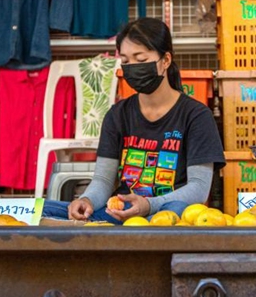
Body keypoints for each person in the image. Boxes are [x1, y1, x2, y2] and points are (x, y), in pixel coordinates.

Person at [42, 18, 225, 224]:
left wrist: (149, 204)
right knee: (42, 208)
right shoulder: (117, 115)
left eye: (140, 59)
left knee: (178, 210)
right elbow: (103, 180)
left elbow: (199, 189)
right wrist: (87, 200)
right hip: (121, 213)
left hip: (166, 214)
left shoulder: (196, 116)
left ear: (165, 61)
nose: (133, 68)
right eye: (127, 62)